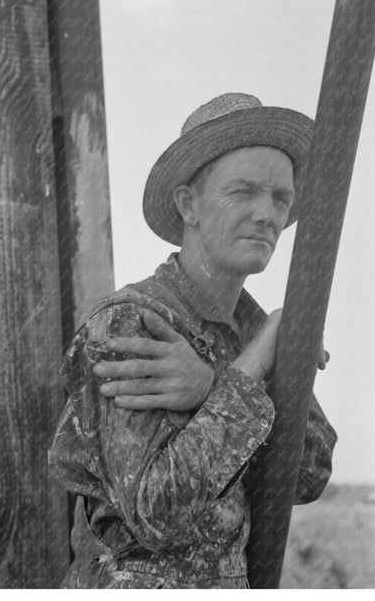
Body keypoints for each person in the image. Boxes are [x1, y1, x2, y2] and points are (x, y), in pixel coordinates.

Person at [49, 93, 337, 589]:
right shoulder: (129, 324)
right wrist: (246, 379)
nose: (268, 214)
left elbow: (310, 472)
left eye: (281, 198)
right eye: (243, 192)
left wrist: (214, 385)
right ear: (189, 204)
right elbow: (156, 512)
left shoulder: (258, 332)